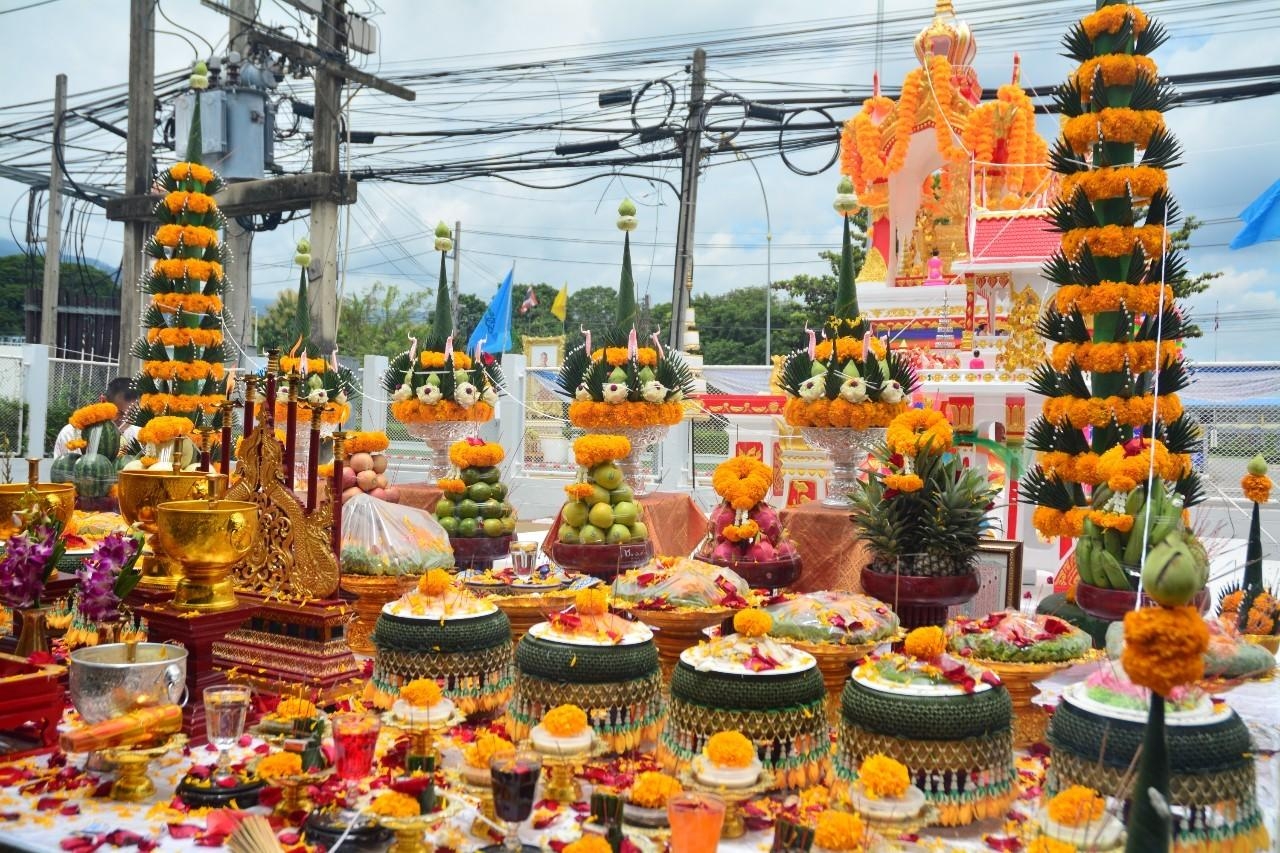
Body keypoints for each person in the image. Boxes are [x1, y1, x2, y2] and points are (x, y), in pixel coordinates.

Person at [53, 377, 140, 458]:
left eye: (130, 415)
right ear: (103, 401)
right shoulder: (70, 434)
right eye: (118, 413)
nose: (123, 421)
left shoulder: (137, 436)